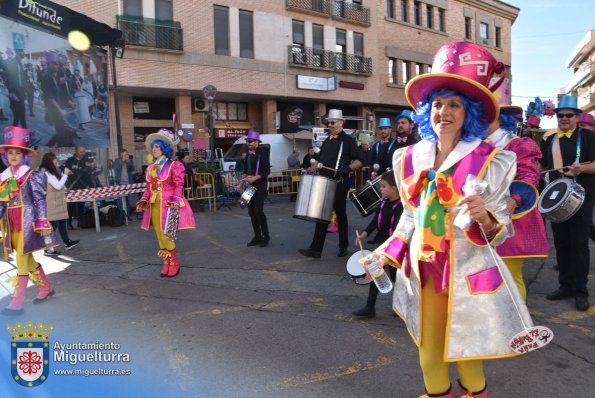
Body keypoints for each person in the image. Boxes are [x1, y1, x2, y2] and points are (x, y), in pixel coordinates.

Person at [367, 42, 530, 398]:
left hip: (467, 274)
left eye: (454, 104)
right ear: (427, 110)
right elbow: (409, 216)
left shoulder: (493, 160)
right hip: (423, 272)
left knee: (469, 356)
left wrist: (484, 216)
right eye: (437, 103)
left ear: (468, 112)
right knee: (429, 358)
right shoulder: (407, 157)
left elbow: (500, 227)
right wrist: (385, 254)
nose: (444, 111)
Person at [487, 105, 549, 300]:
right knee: (486, 276)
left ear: (499, 118)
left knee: (510, 277)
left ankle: (519, 326)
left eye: (485, 114)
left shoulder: (519, 144)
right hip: (479, 219)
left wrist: (515, 200)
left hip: (510, 219)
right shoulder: (473, 146)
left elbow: (529, 175)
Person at [541, 95, 595, 311]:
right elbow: (543, 166)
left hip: (582, 198)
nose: (564, 118)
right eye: (560, 115)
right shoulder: (550, 140)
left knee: (579, 246)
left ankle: (581, 291)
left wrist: (583, 168)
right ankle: (565, 286)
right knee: (561, 245)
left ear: (576, 117)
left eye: (568, 115)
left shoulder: (589, 137)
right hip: (556, 198)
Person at [0, 126, 57, 315]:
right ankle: (46, 287)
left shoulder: (32, 176)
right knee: (28, 258)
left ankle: (17, 302)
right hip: (12, 224)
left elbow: (40, 199)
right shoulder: (4, 178)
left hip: (28, 221)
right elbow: (2, 202)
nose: (14, 156)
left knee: (21, 259)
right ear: (6, 156)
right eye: (10, 153)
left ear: (23, 156)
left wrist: (42, 219)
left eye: (18, 153)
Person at [299, 109, 364, 258]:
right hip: (324, 182)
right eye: (328, 122)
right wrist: (310, 169)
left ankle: (343, 245)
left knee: (340, 214)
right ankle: (315, 249)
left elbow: (360, 161)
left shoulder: (348, 140)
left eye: (333, 122)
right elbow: (321, 161)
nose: (330, 125)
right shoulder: (328, 140)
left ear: (341, 123)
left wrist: (347, 168)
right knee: (321, 215)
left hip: (339, 182)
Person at [136, 128, 196, 277]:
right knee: (159, 235)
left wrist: (176, 200)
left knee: (167, 234)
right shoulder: (150, 168)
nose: (154, 149)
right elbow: (149, 188)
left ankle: (174, 263)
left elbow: (178, 185)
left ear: (164, 148)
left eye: (157, 146)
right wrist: (143, 200)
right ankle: (166, 262)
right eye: (153, 147)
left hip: (168, 204)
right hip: (154, 205)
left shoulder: (174, 165)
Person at [352, 171, 402, 318]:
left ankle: (400, 306)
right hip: (382, 244)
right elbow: (375, 221)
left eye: (383, 186)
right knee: (375, 273)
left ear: (394, 188)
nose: (380, 189)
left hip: (394, 247)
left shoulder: (401, 207)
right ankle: (369, 307)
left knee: (397, 278)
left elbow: (399, 230)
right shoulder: (383, 202)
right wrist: (364, 234)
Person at [39, 152, 80, 256]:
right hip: (52, 203)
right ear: (50, 160)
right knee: (52, 227)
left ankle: (67, 242)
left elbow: (61, 184)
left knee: (62, 222)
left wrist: (64, 174)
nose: (56, 160)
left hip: (57, 202)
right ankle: (48, 249)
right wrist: (65, 174)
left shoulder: (53, 171)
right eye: (54, 159)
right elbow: (57, 186)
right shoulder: (46, 173)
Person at [237, 130, 271, 247]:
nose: (249, 143)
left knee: (258, 211)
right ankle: (257, 236)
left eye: (251, 141)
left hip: (261, 185)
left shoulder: (263, 153)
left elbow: (266, 171)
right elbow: (246, 172)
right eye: (247, 141)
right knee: (251, 212)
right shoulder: (248, 155)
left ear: (257, 142)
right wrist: (240, 183)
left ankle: (265, 237)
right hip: (250, 186)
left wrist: (254, 178)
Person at [65, 146, 92, 229]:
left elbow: (90, 172)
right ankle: (69, 223)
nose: (83, 154)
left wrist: (91, 166)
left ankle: (81, 222)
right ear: (76, 151)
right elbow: (66, 170)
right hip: (73, 185)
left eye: (84, 152)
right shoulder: (70, 160)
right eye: (81, 152)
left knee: (81, 204)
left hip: (83, 185)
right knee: (72, 205)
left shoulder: (86, 160)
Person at [3, 46, 28, 128]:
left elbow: (22, 77)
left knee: (19, 113)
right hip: (16, 92)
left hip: (21, 92)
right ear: (18, 52)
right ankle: (23, 131)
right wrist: (11, 92)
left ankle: (18, 131)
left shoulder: (20, 62)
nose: (24, 53)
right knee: (20, 112)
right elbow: (10, 78)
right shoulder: (12, 62)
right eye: (22, 51)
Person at [113, 148, 136, 219]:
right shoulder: (117, 161)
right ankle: (120, 216)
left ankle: (127, 216)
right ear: (120, 155)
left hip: (128, 183)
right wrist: (122, 161)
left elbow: (132, 169)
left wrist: (128, 161)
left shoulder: (129, 161)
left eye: (126, 154)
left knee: (128, 200)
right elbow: (116, 168)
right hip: (120, 184)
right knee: (120, 201)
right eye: (124, 155)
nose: (125, 156)